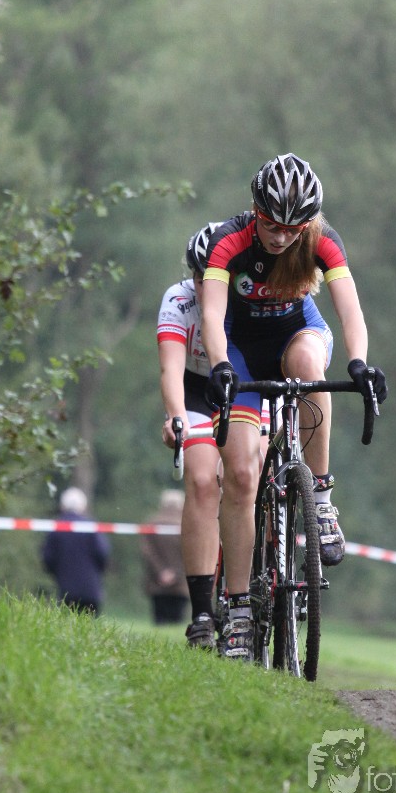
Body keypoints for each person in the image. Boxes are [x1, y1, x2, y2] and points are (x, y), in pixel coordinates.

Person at [201, 152, 387, 661]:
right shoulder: (229, 241)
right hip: (240, 349)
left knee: (309, 367)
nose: (281, 237)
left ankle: (320, 497)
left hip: (296, 336)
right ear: (255, 211)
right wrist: (219, 365)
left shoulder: (322, 240)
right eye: (271, 225)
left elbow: (350, 309)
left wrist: (359, 362)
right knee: (241, 475)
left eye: (292, 228)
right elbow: (212, 315)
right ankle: (239, 609)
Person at [156, 222, 225, 648]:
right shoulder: (178, 300)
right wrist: (176, 418)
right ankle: (202, 612)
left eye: (217, 277)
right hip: (196, 391)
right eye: (201, 277)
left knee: (254, 472)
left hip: (248, 387)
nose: (206, 287)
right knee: (201, 481)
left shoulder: (250, 298)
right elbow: (170, 370)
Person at [41, 486, 110, 615]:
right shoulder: (91, 527)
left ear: (63, 506)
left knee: (67, 624)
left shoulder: (56, 528)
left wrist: (57, 573)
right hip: (91, 590)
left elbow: (48, 558)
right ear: (83, 506)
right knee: (89, 625)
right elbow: (102, 554)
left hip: (66, 591)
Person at [140, 489, 189, 624]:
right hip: (180, 584)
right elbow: (190, 552)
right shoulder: (187, 524)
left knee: (159, 621)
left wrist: (161, 571)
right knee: (176, 623)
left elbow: (146, 551)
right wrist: (176, 573)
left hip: (157, 583)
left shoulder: (151, 523)